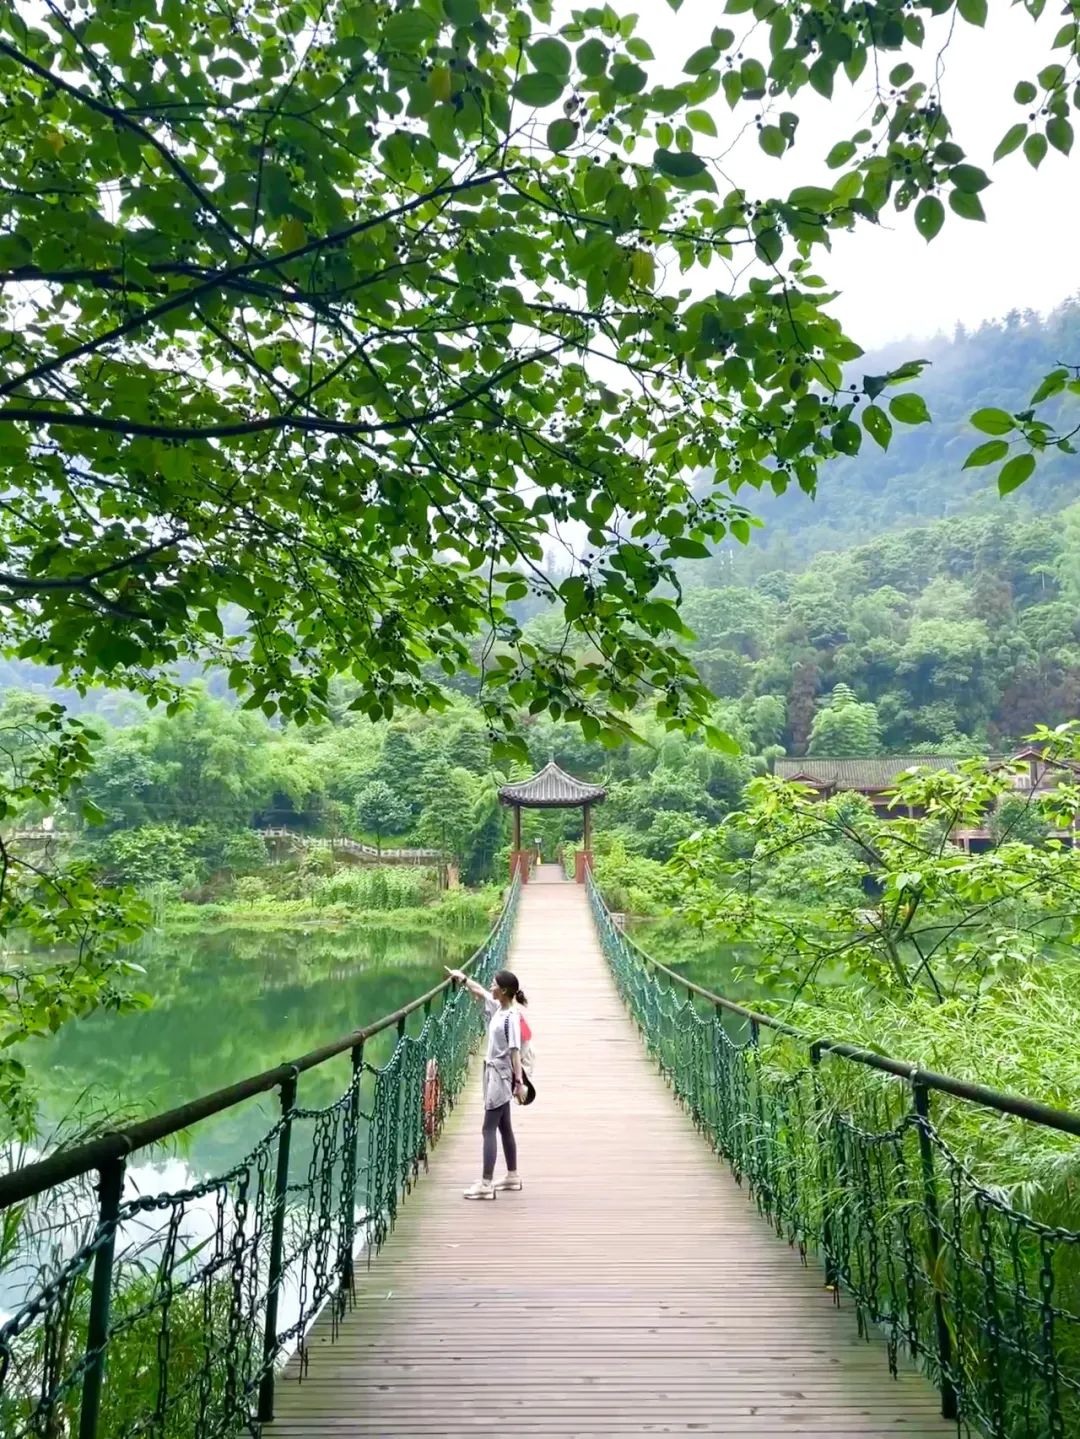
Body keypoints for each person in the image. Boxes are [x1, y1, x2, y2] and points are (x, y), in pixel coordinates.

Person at [444, 965, 528, 1200]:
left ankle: (486, 1184)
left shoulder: (510, 1018)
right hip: (495, 1075)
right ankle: (512, 1176)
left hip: (500, 1077)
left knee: (488, 1128)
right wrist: (463, 979)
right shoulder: (499, 1008)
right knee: (504, 1127)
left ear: (502, 990)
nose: (490, 986)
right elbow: (480, 991)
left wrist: (519, 1083)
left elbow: (515, 1052)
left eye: (494, 984)